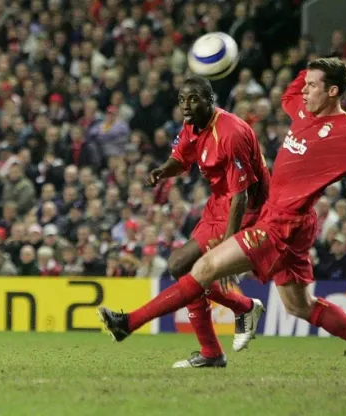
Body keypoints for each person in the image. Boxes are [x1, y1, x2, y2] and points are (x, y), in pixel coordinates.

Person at [99, 58, 346, 375]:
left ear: (333, 91)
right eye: (305, 85)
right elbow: (291, 92)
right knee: (300, 306)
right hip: (293, 224)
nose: (304, 92)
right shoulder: (301, 108)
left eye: (314, 86)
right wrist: (316, 67)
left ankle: (128, 323)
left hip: (280, 225)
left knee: (203, 269)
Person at [145, 76, 269, 368]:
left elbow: (242, 195)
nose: (185, 106)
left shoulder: (231, 133)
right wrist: (163, 171)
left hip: (248, 208)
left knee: (182, 266)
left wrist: (227, 248)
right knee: (180, 267)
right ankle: (222, 337)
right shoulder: (192, 125)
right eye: (182, 100)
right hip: (218, 205)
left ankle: (236, 319)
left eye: (193, 99)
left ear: (209, 100)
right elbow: (182, 159)